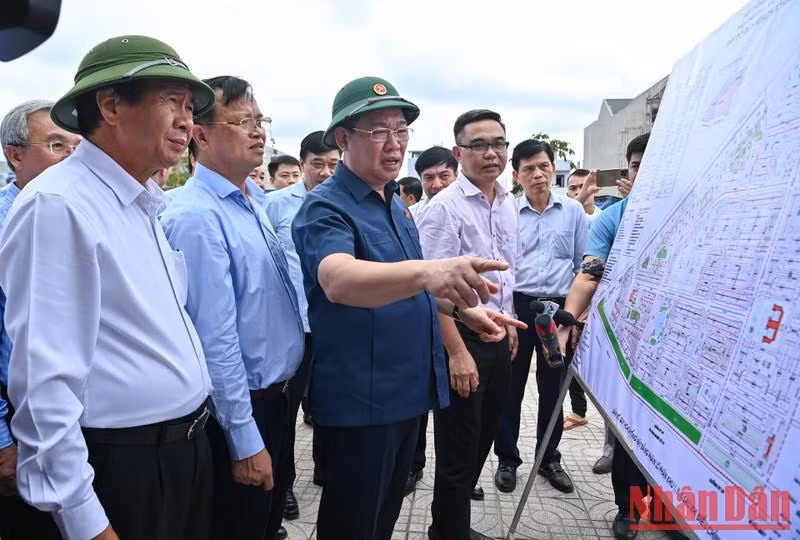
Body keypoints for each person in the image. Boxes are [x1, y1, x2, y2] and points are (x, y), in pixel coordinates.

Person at [0, 35, 216, 540]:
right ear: (111, 104)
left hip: (182, 455)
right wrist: (83, 518)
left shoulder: (143, 201)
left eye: (190, 107)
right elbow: (44, 384)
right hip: (121, 469)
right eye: (171, 101)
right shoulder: (59, 205)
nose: (188, 121)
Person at [292, 77, 523, 540]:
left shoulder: (395, 204)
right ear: (343, 138)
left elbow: (409, 287)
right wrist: (430, 273)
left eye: (401, 131)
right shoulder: (326, 208)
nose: (394, 144)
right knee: (352, 523)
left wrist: (461, 311)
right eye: (378, 131)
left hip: (408, 395)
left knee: (384, 517)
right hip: (363, 402)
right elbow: (338, 279)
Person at [160, 75, 302, 540]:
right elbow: (215, 337)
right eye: (243, 121)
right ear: (199, 135)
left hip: (278, 400)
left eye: (260, 120)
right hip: (238, 413)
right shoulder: (196, 217)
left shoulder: (252, 200)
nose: (258, 131)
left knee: (263, 522)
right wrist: (243, 439)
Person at [559, 133, 684, 540]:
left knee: (677, 433)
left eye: (654, 164)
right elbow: (589, 274)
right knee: (632, 427)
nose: (643, 173)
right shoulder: (614, 219)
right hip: (630, 340)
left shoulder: (696, 209)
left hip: (683, 344)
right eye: (635, 166)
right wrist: (568, 317)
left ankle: (672, 508)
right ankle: (629, 508)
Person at [417, 109, 519, 540]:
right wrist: (456, 352)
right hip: (461, 343)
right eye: (479, 145)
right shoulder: (444, 209)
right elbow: (426, 289)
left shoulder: (507, 201)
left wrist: (510, 326)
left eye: (499, 143)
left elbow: (507, 274)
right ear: (459, 152)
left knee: (482, 441)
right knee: (458, 454)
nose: (491, 153)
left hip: (499, 337)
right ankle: (448, 533)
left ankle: (449, 527)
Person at [0, 99, 80, 540]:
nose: (71, 157)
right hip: (18, 419)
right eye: (55, 145)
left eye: (76, 145)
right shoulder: (6, 221)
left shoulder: (72, 212)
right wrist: (2, 442)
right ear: (15, 155)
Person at [492, 139, 587, 496]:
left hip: (560, 310)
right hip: (518, 306)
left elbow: (582, 266)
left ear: (552, 168)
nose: (538, 174)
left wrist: (574, 318)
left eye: (544, 166)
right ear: (516, 175)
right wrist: (505, 313)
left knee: (554, 391)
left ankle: (548, 459)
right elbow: (501, 267)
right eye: (529, 168)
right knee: (510, 389)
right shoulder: (506, 212)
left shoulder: (574, 211)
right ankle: (507, 459)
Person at [262, 130, 341, 521]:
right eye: (317, 164)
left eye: (333, 164)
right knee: (288, 412)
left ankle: (327, 468)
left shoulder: (345, 202)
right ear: (303, 164)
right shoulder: (275, 204)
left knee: (331, 403)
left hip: (337, 324)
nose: (326, 173)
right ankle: (285, 485)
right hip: (295, 327)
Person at [409, 145, 457, 221]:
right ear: (421, 179)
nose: (437, 185)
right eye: (429, 177)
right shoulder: (410, 216)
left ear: (456, 176)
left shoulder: (472, 211)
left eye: (444, 176)